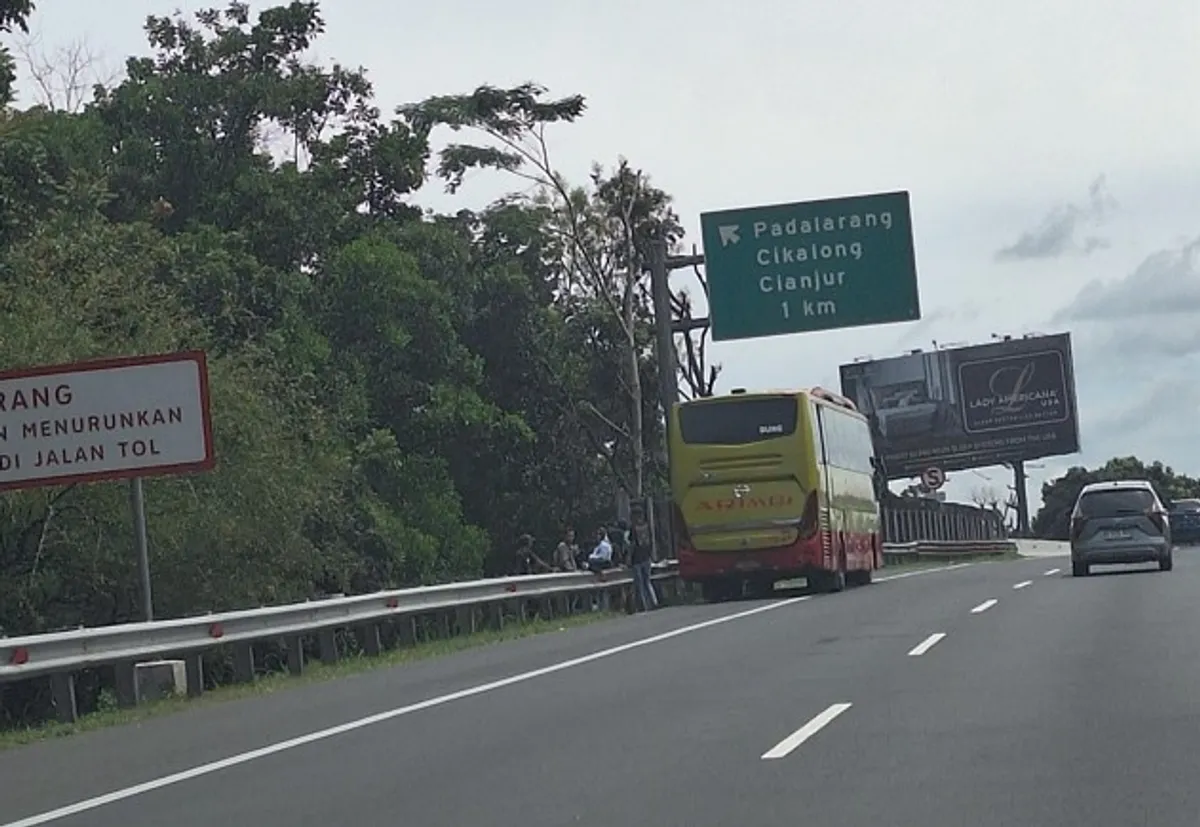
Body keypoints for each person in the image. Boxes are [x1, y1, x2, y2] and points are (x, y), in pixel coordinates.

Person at [628, 507, 659, 611]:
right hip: (647, 557)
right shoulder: (646, 526)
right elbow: (651, 541)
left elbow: (632, 545)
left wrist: (628, 558)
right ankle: (654, 602)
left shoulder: (633, 528)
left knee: (640, 584)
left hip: (637, 559)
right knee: (647, 582)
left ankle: (644, 605)